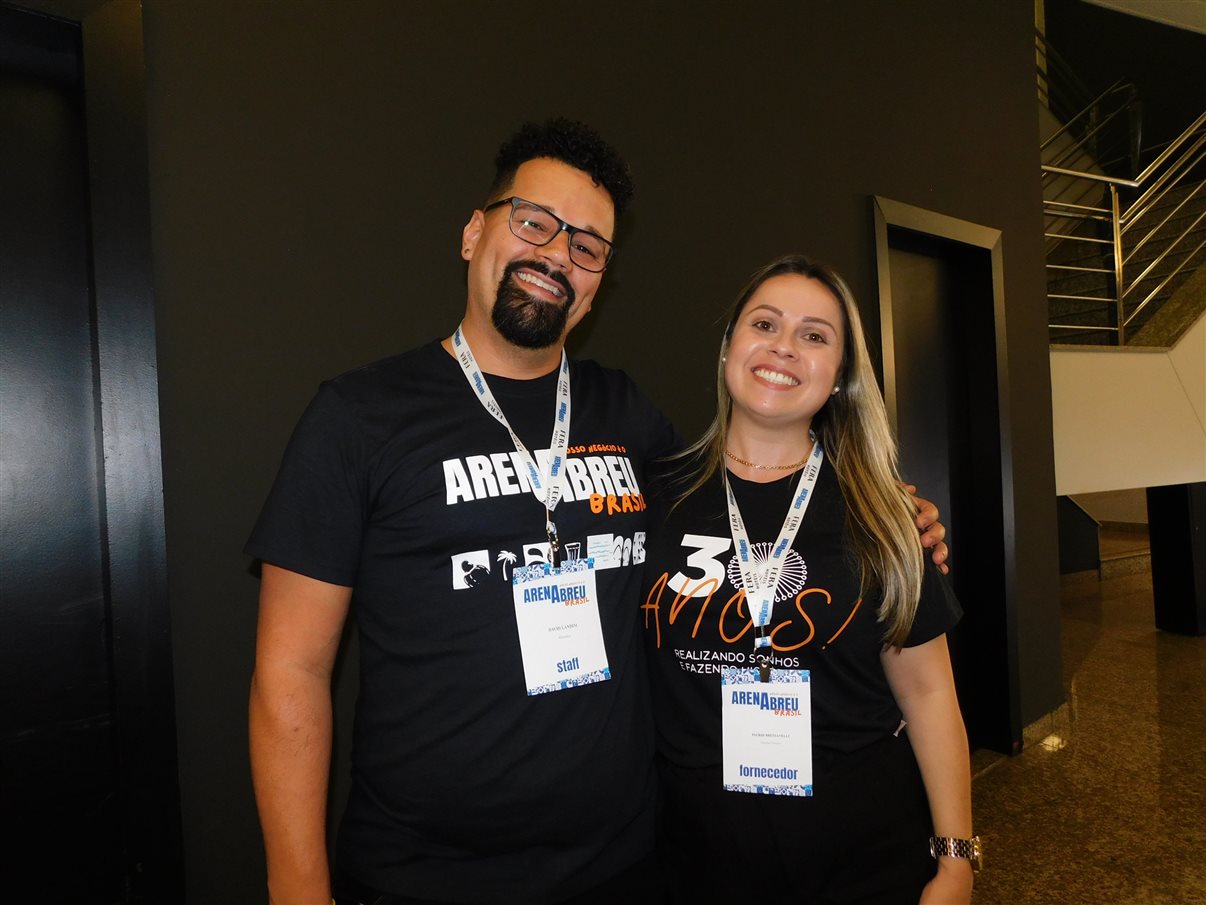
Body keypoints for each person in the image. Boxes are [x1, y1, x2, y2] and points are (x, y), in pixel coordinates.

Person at [246, 120, 950, 905]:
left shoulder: (626, 412)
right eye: (534, 221)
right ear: (474, 231)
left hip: (625, 865)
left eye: (587, 246)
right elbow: (292, 672)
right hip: (426, 873)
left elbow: (745, 491)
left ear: (599, 281)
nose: (557, 254)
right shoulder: (358, 418)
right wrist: (298, 886)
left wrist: (893, 512)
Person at [642, 255, 976, 904]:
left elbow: (930, 696)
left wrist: (957, 858)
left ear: (841, 377)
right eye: (764, 323)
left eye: (814, 334)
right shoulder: (657, 494)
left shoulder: (884, 513)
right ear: (728, 348)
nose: (783, 347)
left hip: (864, 859)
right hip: (692, 861)